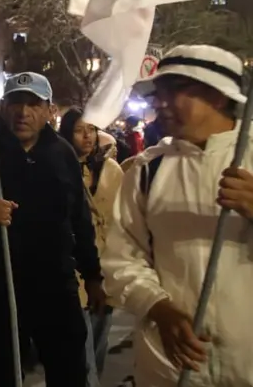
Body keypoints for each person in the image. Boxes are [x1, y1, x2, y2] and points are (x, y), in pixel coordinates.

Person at [0, 72, 104, 386]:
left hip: (56, 283)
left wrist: (93, 276)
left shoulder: (63, 154)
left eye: (33, 104)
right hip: (0, 285)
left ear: (48, 110)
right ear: (3, 106)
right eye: (15, 102)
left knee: (68, 369)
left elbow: (80, 220)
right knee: (3, 373)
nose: (23, 112)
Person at [102, 45, 253, 386]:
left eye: (176, 90)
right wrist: (159, 308)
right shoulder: (146, 171)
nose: (160, 102)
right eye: (160, 92)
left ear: (216, 95)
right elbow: (121, 260)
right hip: (171, 368)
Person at [58, 108, 124, 386]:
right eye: (79, 130)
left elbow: (124, 217)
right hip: (72, 264)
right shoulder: (58, 167)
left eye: (92, 130)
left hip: (106, 263)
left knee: (99, 339)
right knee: (80, 344)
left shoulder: (112, 169)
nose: (87, 136)